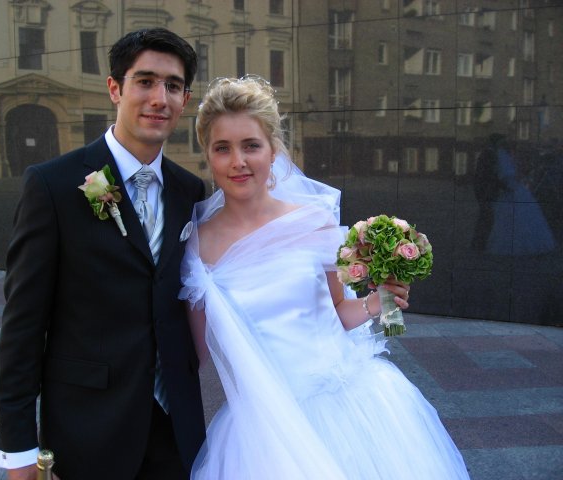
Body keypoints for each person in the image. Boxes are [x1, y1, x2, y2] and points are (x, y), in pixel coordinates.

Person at [179, 75, 470, 479]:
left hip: (351, 404)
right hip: (266, 426)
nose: (238, 161)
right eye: (222, 148)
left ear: (273, 149)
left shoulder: (313, 222)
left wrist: (379, 301)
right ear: (208, 155)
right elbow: (192, 355)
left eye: (251, 145)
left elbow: (335, 309)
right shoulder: (197, 246)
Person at [0, 28, 206, 480]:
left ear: (185, 100)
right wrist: (17, 448)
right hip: (88, 427)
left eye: (172, 86)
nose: (159, 98)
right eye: (144, 81)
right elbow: (22, 326)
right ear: (115, 88)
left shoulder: (190, 191)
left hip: (176, 426)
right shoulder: (52, 185)